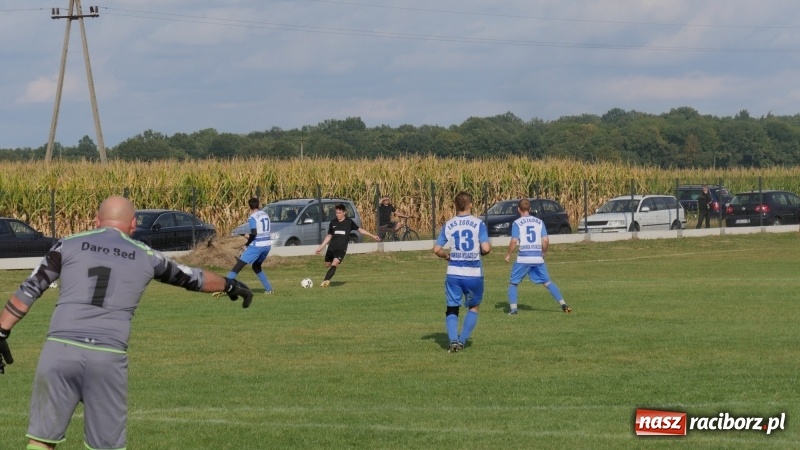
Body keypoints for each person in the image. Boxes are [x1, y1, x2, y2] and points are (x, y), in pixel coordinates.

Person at [0, 196, 252, 450]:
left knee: (42, 441)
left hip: (60, 350)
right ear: (133, 225)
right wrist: (229, 284)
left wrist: (1, 332)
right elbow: (192, 278)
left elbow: (30, 289)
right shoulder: (147, 256)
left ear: (97, 221)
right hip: (107, 356)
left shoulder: (67, 245)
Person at [432, 191, 491, 353]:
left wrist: (446, 256)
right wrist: (482, 250)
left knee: (452, 308)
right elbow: (486, 248)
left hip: (454, 273)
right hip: (473, 273)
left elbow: (436, 249)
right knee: (473, 307)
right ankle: (462, 340)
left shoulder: (449, 224)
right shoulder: (478, 224)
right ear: (470, 204)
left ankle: (452, 341)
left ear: (455, 205)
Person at [504, 199, 572, 315]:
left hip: (523, 258)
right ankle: (564, 304)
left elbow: (514, 241)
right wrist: (543, 252)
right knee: (547, 282)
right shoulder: (539, 222)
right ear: (530, 209)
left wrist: (508, 254)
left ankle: (514, 309)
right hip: (537, 258)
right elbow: (545, 240)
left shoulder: (517, 223)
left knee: (513, 283)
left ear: (518, 209)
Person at [315, 203, 381, 287]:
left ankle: (325, 281)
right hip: (331, 248)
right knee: (327, 265)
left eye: (339, 213)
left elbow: (360, 230)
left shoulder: (349, 222)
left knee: (335, 263)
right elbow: (329, 236)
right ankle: (329, 271)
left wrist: (372, 235)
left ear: (344, 213)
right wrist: (320, 247)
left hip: (341, 249)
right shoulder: (333, 222)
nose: (337, 215)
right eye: (336, 213)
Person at [220, 197, 274, 295]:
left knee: (238, 266)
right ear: (259, 205)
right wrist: (249, 236)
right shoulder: (265, 215)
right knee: (256, 267)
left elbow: (254, 233)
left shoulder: (252, 217)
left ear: (249, 207)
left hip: (257, 246)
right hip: (267, 245)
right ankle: (269, 289)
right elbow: (260, 232)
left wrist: (247, 244)